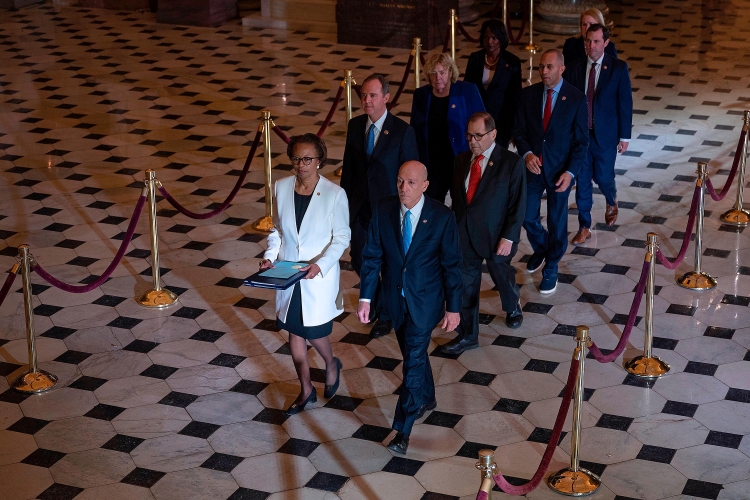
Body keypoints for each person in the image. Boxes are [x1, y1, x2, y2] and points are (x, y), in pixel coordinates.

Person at [357, 161, 462, 454]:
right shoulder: (383, 210)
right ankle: (426, 396)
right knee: (411, 354)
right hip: (395, 301)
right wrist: (366, 298)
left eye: (412, 183)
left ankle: (402, 430)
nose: (404, 188)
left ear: (425, 185)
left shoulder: (441, 217)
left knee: (413, 360)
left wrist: (453, 308)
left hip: (425, 302)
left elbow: (452, 266)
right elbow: (372, 257)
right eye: (401, 181)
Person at [260, 134, 351, 415]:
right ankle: (306, 389)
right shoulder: (282, 186)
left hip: (316, 277)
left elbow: (342, 238)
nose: (301, 164)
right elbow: (276, 230)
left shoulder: (335, 194)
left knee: (314, 330)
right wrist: (269, 258)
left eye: (308, 159)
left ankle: (331, 362)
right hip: (288, 275)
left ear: (319, 161)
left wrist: (320, 265)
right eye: (297, 158)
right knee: (294, 331)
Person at [341, 74, 419, 339]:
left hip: (388, 212)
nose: (366, 100)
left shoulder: (402, 131)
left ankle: (386, 314)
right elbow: (348, 172)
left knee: (388, 264)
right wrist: (343, 209)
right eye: (363, 95)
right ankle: (375, 302)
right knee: (360, 259)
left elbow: (410, 174)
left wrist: (407, 210)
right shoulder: (354, 126)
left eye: (373, 95)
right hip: (360, 210)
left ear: (386, 98)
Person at [442, 112, 527, 355]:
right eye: (469, 135)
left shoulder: (511, 163)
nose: (472, 141)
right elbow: (459, 201)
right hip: (465, 234)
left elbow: (517, 204)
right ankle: (469, 335)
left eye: (478, 136)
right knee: (467, 284)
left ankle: (512, 306)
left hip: (496, 235)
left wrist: (508, 237)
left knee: (501, 275)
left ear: (493, 134)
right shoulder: (461, 160)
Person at [512, 50, 588, 294]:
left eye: (549, 67)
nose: (543, 71)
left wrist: (570, 173)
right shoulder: (527, 96)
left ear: (561, 69)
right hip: (533, 169)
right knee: (526, 215)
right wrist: (527, 155)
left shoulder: (576, 99)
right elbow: (519, 132)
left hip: (559, 172)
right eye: (541, 67)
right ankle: (543, 248)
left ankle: (552, 266)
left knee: (557, 222)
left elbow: (581, 143)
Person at [566, 24, 633, 244]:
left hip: (605, 135)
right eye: (588, 41)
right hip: (581, 135)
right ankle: (584, 225)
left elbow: (625, 104)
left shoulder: (618, 68)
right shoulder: (575, 68)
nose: (591, 46)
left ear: (606, 43)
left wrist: (625, 137)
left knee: (604, 176)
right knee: (582, 180)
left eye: (596, 41)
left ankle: (611, 198)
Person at [410, 53, 485, 202]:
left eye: (442, 72)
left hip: (460, 160)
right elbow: (415, 129)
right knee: (432, 205)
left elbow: (483, 123)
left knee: (461, 204)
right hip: (432, 163)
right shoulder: (421, 95)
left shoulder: (467, 91)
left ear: (451, 72)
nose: (438, 78)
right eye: (433, 73)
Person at [463, 19, 522, 148]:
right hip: (476, 118)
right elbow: (466, 89)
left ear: (501, 38)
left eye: (494, 37)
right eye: (486, 37)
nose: (490, 41)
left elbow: (516, 97)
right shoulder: (475, 58)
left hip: (501, 121)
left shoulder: (512, 62)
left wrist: (515, 128)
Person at [562, 8, 617, 74]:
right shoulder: (570, 45)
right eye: (584, 24)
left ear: (600, 26)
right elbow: (565, 72)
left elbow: (614, 73)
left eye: (591, 24)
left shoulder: (609, 47)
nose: (587, 28)